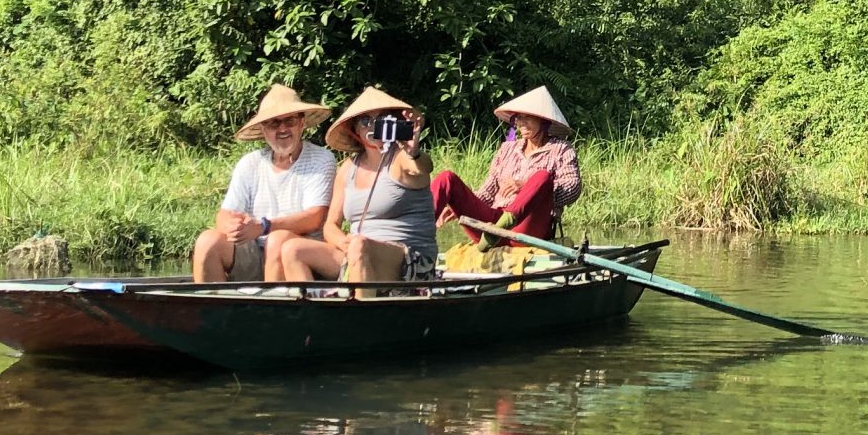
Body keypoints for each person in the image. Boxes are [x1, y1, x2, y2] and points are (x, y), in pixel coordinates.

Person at [270, 86, 439, 284]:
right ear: (355, 130)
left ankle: (359, 311)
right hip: (357, 253)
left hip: (411, 259)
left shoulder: (401, 158)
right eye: (366, 121)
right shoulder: (348, 167)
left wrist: (414, 151)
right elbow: (331, 225)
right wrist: (343, 242)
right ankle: (313, 312)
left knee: (360, 245)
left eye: (380, 120)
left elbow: (422, 167)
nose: (373, 127)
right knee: (292, 249)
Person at [192, 84, 338, 282]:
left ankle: (272, 309)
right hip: (254, 249)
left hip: (298, 251)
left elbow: (315, 217)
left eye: (290, 121)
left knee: (278, 240)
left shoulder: (321, 159)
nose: (283, 129)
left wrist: (264, 227)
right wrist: (234, 227)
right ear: (263, 129)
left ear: (302, 123)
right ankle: (210, 309)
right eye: (273, 123)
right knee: (207, 241)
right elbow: (225, 214)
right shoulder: (250, 163)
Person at [432, 85, 584, 243]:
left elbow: (572, 187)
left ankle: (503, 227)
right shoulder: (507, 149)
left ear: (544, 121)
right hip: (493, 224)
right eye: (519, 118)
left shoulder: (560, 149)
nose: (521, 123)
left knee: (542, 176)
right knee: (446, 178)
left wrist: (527, 186)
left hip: (528, 228)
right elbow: (488, 192)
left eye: (528, 117)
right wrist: (457, 206)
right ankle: (416, 228)